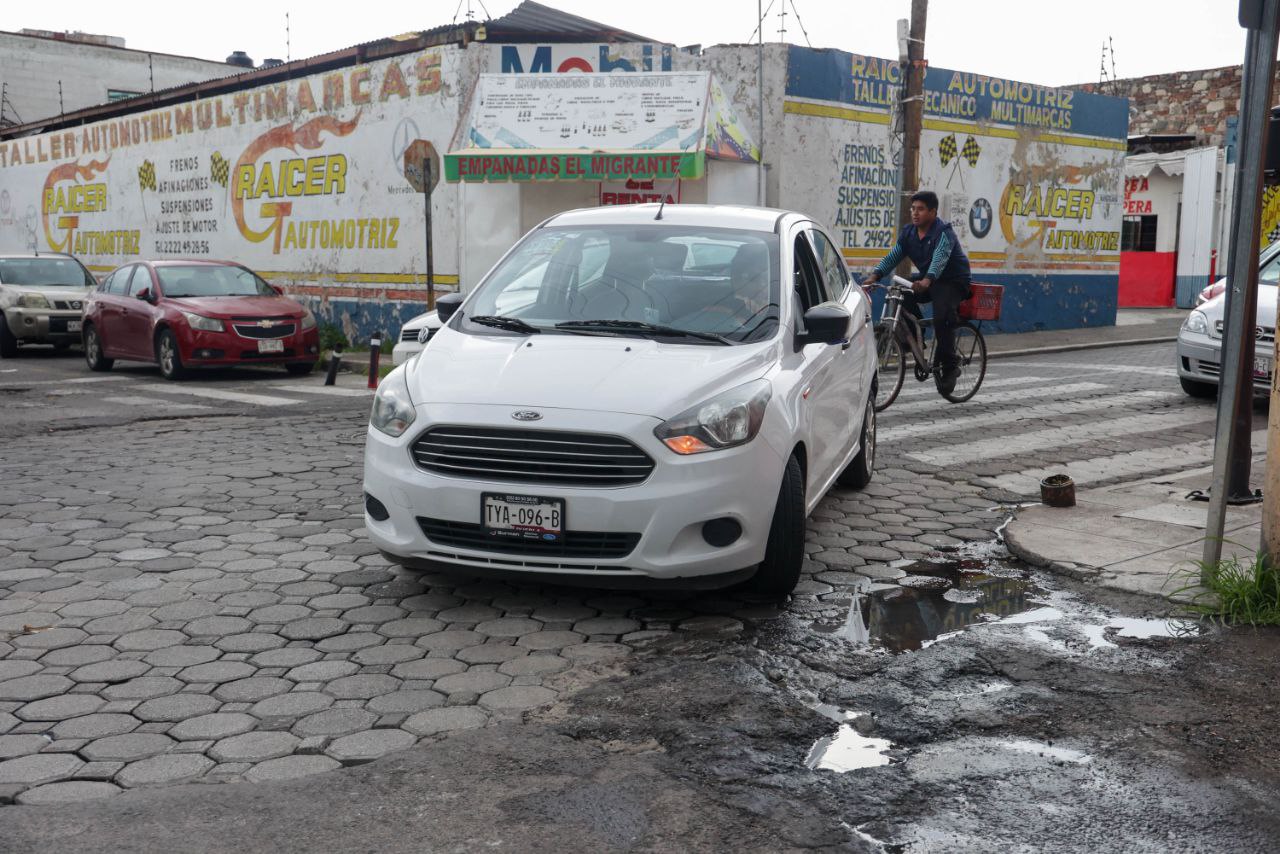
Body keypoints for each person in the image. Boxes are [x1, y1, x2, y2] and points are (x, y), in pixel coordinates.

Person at [863, 190, 972, 395]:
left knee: (942, 318)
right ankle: (916, 338)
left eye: (920, 209)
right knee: (900, 293)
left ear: (933, 211)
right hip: (928, 280)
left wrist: (928, 279)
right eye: (913, 209)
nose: (915, 213)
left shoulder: (943, 232)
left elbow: (940, 258)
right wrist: (876, 275)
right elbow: (894, 255)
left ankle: (950, 367)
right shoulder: (909, 233)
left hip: (953, 281)